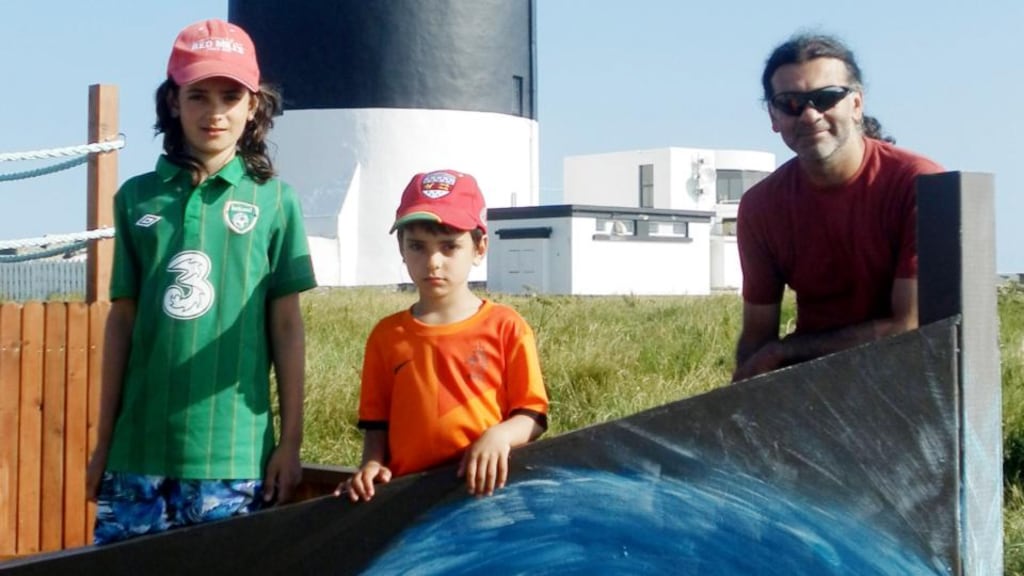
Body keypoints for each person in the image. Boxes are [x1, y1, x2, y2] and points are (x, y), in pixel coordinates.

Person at [85, 19, 317, 544]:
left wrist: (292, 442)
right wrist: (105, 443)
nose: (215, 112)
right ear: (173, 101)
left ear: (254, 104)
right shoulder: (135, 198)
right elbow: (122, 321)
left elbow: (286, 327)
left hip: (233, 457)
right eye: (199, 95)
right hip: (136, 454)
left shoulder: (276, 202)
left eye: (231, 96)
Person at [732, 33, 943, 382]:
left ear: (857, 105)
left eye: (826, 98)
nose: (810, 115)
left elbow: (909, 327)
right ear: (773, 116)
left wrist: (787, 351)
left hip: (910, 381)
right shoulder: (760, 207)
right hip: (811, 388)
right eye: (790, 103)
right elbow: (756, 337)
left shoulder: (919, 184)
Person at [336, 169, 549, 502]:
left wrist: (500, 437)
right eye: (418, 246)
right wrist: (371, 465)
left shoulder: (507, 326)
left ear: (480, 248)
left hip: (485, 495)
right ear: (401, 249)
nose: (433, 261)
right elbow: (376, 424)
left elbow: (533, 417)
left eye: (449, 247)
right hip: (407, 500)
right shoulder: (387, 336)